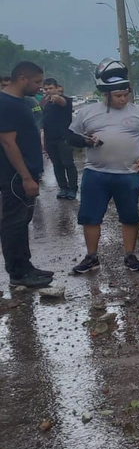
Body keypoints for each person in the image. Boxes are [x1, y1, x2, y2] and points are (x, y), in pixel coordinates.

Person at [67, 60, 139, 274]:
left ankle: (130, 256)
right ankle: (91, 257)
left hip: (128, 174)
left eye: (125, 95)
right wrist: (86, 141)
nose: (123, 99)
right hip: (96, 173)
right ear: (106, 94)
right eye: (118, 96)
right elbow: (70, 137)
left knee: (130, 216)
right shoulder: (88, 112)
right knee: (90, 217)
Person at [0, 62, 54, 288]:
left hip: (27, 172)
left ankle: (26, 266)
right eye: (37, 82)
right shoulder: (5, 103)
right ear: (23, 78)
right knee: (14, 223)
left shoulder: (21, 102)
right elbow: (8, 142)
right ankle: (17, 273)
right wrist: (25, 177)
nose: (40, 87)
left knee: (23, 221)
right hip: (15, 176)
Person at [40, 77, 79, 200]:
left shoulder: (65, 100)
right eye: (46, 89)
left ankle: (73, 188)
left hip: (64, 139)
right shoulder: (44, 103)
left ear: (58, 88)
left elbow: (61, 101)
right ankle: (63, 187)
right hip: (50, 139)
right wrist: (43, 141)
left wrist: (56, 98)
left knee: (68, 164)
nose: (48, 91)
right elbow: (43, 122)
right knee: (57, 165)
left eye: (51, 88)